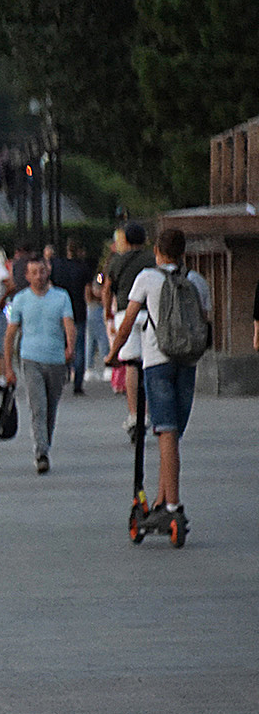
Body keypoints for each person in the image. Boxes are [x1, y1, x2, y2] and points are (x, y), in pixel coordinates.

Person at [108, 226, 211, 526]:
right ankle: (161, 499)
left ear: (157, 252)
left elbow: (128, 321)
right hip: (187, 361)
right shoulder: (197, 281)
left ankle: (172, 506)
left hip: (157, 361)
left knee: (165, 431)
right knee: (173, 433)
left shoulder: (147, 278)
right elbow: (204, 321)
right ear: (183, 253)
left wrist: (114, 354)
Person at [2, 255, 76, 474]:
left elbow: (68, 323)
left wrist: (70, 346)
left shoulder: (61, 297)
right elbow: (11, 333)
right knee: (38, 407)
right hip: (30, 358)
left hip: (55, 359)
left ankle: (46, 443)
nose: (38, 276)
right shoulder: (21, 299)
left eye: (41, 271)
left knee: (51, 408)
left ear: (48, 272)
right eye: (33, 272)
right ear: (26, 276)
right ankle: (41, 452)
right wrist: (8, 366)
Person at [104, 223, 155, 435]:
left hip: (125, 314)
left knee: (131, 365)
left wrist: (107, 311)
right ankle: (150, 414)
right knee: (150, 364)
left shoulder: (117, 261)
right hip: (149, 313)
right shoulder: (152, 259)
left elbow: (107, 288)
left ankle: (135, 415)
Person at [49, 237, 93, 394]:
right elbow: (88, 292)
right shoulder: (83, 268)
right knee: (79, 346)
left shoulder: (57, 265)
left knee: (60, 343)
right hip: (78, 309)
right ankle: (78, 383)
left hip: (59, 310)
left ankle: (63, 374)